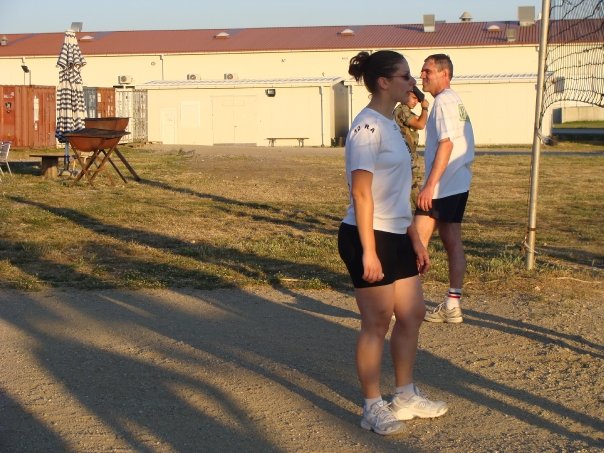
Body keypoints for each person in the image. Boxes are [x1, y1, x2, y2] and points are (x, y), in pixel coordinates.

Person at [338, 50, 448, 436]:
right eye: (405, 76)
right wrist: (369, 251)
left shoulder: (391, 124)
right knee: (377, 321)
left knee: (412, 313)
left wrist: (414, 238)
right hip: (367, 235)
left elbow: (397, 193)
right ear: (384, 82)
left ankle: (405, 395)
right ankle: (372, 406)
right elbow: (362, 193)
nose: (413, 83)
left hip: (397, 233)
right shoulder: (367, 128)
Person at [415, 54, 475, 324]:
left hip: (442, 186)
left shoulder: (443, 101)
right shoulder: (454, 100)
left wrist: (429, 186)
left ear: (445, 74)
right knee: (452, 242)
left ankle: (404, 304)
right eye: (422, 71)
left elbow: (447, 144)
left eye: (427, 71)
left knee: (415, 241)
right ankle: (452, 305)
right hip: (457, 183)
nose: (422, 76)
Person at [394, 88, 430, 209]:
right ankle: (424, 212)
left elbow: (420, 120)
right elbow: (420, 124)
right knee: (414, 188)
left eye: (417, 100)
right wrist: (424, 108)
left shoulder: (406, 110)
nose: (415, 102)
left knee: (413, 187)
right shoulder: (402, 109)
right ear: (405, 95)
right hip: (405, 155)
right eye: (413, 98)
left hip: (409, 155)